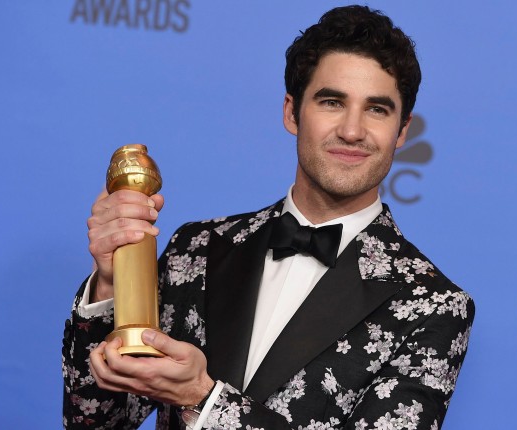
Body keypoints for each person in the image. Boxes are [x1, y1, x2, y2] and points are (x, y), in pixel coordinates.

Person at [63, 5, 474, 429]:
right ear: (291, 112)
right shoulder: (197, 249)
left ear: (402, 130)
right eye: (332, 102)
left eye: (377, 109)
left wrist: (202, 399)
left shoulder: (432, 305)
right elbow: (97, 423)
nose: (352, 131)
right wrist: (112, 284)